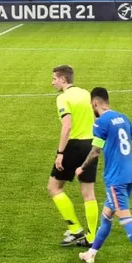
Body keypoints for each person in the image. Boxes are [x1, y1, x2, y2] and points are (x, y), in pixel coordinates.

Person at [75, 87, 132, 263]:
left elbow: (95, 151)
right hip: (127, 175)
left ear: (95, 103)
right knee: (106, 216)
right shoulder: (123, 117)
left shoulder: (101, 122)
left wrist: (81, 168)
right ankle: (91, 253)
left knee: (125, 217)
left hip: (115, 179)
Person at [49, 65, 99, 248]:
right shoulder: (86, 94)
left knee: (54, 187)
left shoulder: (63, 98)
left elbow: (67, 126)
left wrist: (60, 153)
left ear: (63, 79)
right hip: (90, 144)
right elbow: (97, 117)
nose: (52, 82)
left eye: (54, 78)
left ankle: (75, 229)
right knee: (88, 193)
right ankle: (92, 237)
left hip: (74, 145)